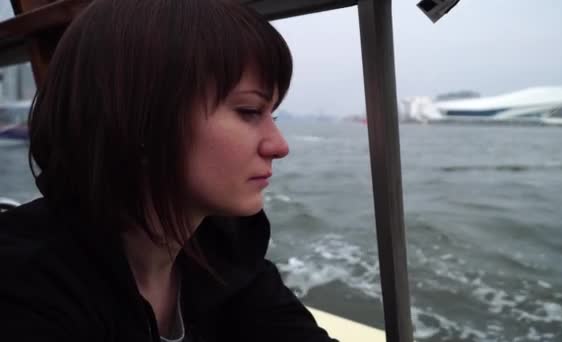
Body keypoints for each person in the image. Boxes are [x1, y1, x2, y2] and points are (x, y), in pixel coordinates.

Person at [0, 0, 338, 341]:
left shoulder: (223, 250)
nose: (279, 146)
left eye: (272, 116)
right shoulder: (26, 291)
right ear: (141, 119)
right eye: (249, 111)